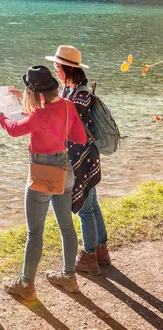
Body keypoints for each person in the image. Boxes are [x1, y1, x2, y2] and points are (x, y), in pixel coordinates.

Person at [0, 65, 86, 300]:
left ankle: (26, 284)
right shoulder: (66, 105)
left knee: (35, 232)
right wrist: (54, 129)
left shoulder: (39, 115)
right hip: (65, 171)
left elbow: (13, 130)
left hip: (42, 175)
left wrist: (0, 116)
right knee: (66, 227)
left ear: (34, 93)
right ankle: (69, 277)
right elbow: (80, 137)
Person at [46, 45, 111, 275]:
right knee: (91, 205)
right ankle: (101, 250)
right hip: (86, 158)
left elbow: (62, 121)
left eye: (57, 67)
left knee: (84, 209)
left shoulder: (79, 97)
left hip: (82, 161)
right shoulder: (72, 90)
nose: (55, 71)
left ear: (67, 69)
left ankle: (89, 255)